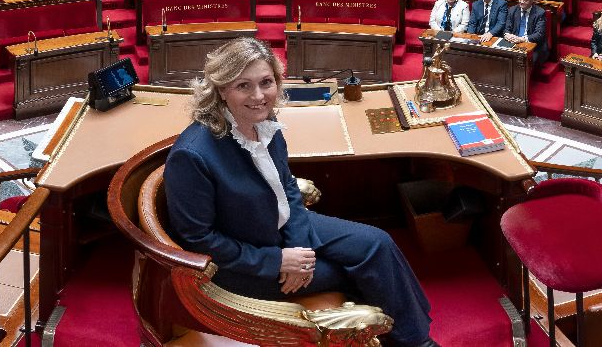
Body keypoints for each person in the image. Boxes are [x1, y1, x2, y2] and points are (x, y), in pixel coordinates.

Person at [163, 40, 437, 347]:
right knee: (352, 271)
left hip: (280, 225)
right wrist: (277, 260)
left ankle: (413, 338)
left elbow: (287, 186)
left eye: (266, 83)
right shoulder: (192, 155)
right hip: (242, 262)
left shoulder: (264, 122)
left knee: (378, 244)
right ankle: (411, 342)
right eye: (243, 86)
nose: (258, 96)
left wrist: (298, 247)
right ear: (221, 90)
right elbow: (198, 240)